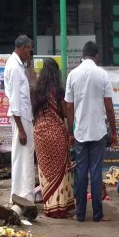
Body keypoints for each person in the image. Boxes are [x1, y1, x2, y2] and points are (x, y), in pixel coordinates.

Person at [65, 41, 117, 222]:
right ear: (96, 56)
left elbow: (69, 107)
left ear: (83, 55)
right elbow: (109, 108)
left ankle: (79, 214)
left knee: (80, 172)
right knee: (95, 172)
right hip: (98, 131)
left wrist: (70, 131)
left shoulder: (72, 75)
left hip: (80, 131)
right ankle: (97, 214)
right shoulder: (102, 74)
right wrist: (114, 131)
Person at [32, 58, 75, 218]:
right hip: (55, 133)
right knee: (60, 171)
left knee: (45, 171)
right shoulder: (58, 91)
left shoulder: (38, 91)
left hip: (40, 134)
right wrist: (71, 131)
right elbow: (65, 112)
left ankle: (49, 207)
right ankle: (60, 208)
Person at [6, 35, 36, 206]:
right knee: (22, 157)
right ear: (23, 48)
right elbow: (15, 101)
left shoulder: (17, 65)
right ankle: (21, 194)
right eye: (29, 51)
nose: (30, 55)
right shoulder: (15, 68)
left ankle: (23, 194)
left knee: (24, 157)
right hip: (21, 118)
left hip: (23, 116)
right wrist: (22, 130)